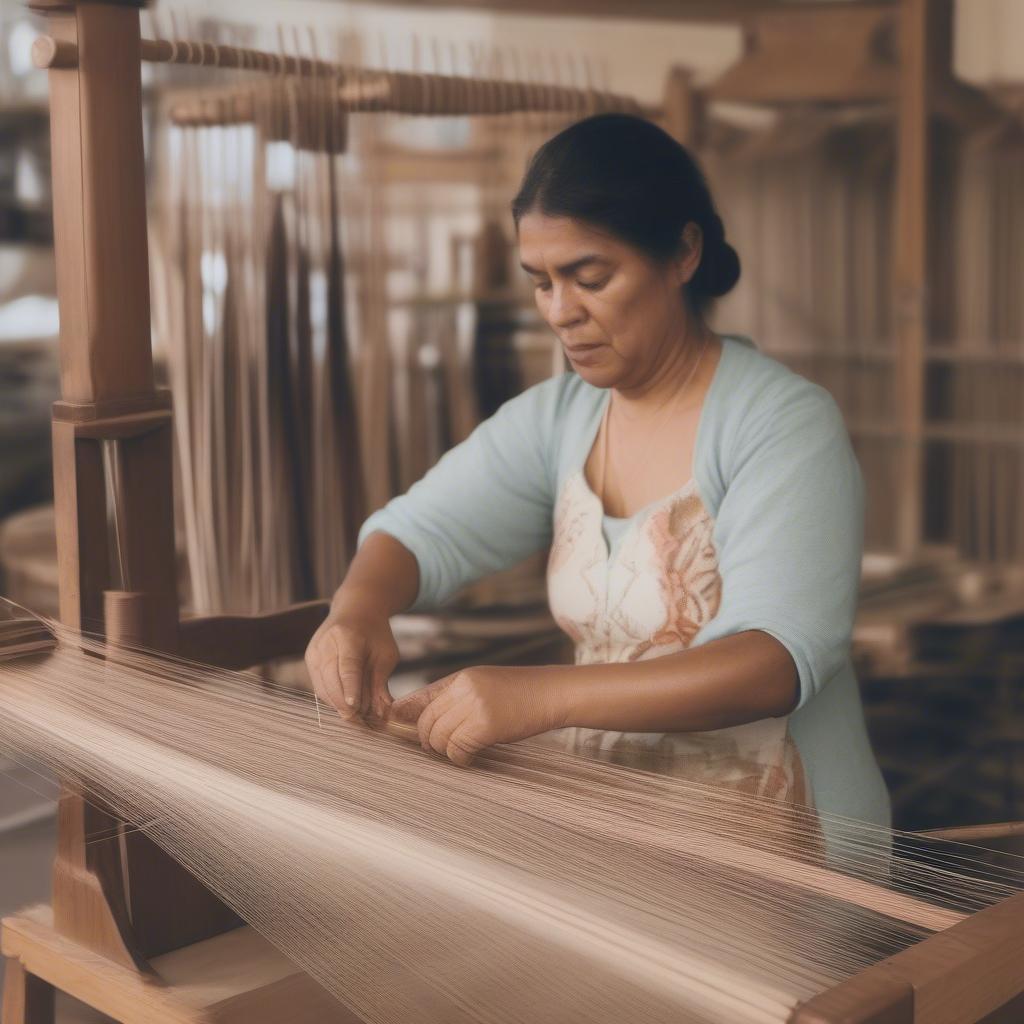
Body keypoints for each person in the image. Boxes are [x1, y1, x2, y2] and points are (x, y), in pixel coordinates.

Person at [305, 113, 890, 855]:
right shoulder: (561, 417)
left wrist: (537, 696)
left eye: (591, 278)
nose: (560, 311)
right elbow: (417, 533)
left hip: (788, 846)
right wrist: (356, 611)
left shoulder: (782, 425)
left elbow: (772, 662)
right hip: (627, 835)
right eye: (542, 283)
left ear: (683, 253)